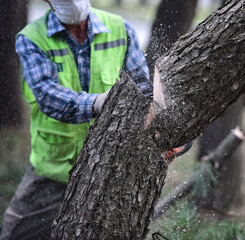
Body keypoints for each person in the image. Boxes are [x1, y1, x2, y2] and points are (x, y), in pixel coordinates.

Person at [0, 0, 152, 239]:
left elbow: (144, 89)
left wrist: (163, 126)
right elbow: (48, 95)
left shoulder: (120, 29)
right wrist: (96, 103)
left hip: (109, 171)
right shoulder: (32, 38)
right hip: (52, 173)